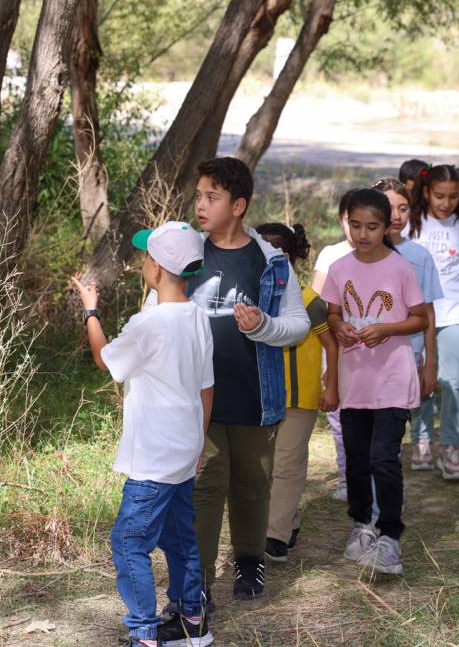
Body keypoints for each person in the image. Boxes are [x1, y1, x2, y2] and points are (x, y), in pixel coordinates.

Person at [71, 222, 215, 647]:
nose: (142, 264)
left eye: (145, 257)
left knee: (129, 541)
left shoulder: (147, 325)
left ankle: (144, 633)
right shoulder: (198, 317)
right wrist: (199, 441)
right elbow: (207, 386)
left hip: (154, 455)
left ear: (155, 268)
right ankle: (193, 620)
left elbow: (104, 359)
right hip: (185, 448)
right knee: (179, 536)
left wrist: (90, 310)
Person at [185, 157, 310, 606]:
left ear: (238, 205)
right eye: (199, 195)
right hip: (199, 400)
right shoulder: (187, 254)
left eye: (212, 197)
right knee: (204, 484)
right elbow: (156, 307)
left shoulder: (271, 261)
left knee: (252, 485)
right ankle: (195, 578)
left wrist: (262, 326)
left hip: (255, 396)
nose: (201, 205)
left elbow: (296, 325)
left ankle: (249, 561)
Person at [321, 188, 427, 575]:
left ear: (387, 227)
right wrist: (341, 326)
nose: (363, 234)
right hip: (355, 382)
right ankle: (361, 525)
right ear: (346, 223)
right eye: (356, 225)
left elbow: (420, 318)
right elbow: (332, 314)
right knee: (358, 461)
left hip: (393, 379)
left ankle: (390, 537)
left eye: (372, 226)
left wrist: (386, 329)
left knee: (384, 459)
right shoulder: (339, 269)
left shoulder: (401, 269)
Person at [256, 223, 338, 563]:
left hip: (301, 398)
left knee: (288, 465)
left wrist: (332, 384)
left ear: (283, 258)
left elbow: (333, 346)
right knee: (265, 467)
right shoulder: (253, 301)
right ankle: (288, 521)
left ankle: (274, 536)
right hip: (263, 397)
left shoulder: (310, 301)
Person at [406, 164, 459, 481]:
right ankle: (421, 439)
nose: (446, 203)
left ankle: (450, 447)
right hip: (418, 313)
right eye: (439, 196)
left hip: (456, 311)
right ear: (425, 192)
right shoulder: (411, 223)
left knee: (456, 379)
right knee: (421, 379)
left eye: (453, 196)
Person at [371, 178, 444, 471]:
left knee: (390, 429)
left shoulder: (419, 256)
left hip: (407, 356)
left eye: (404, 208)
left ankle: (385, 489)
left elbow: (427, 312)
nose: (397, 216)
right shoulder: (355, 256)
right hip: (366, 357)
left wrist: (430, 360)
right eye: (390, 208)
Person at [310, 188, 359, 502]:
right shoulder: (330, 254)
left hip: (374, 349)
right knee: (339, 418)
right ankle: (347, 478)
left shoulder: (389, 257)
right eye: (350, 221)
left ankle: (371, 473)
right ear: (342, 219)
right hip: (336, 347)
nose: (357, 230)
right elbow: (314, 302)